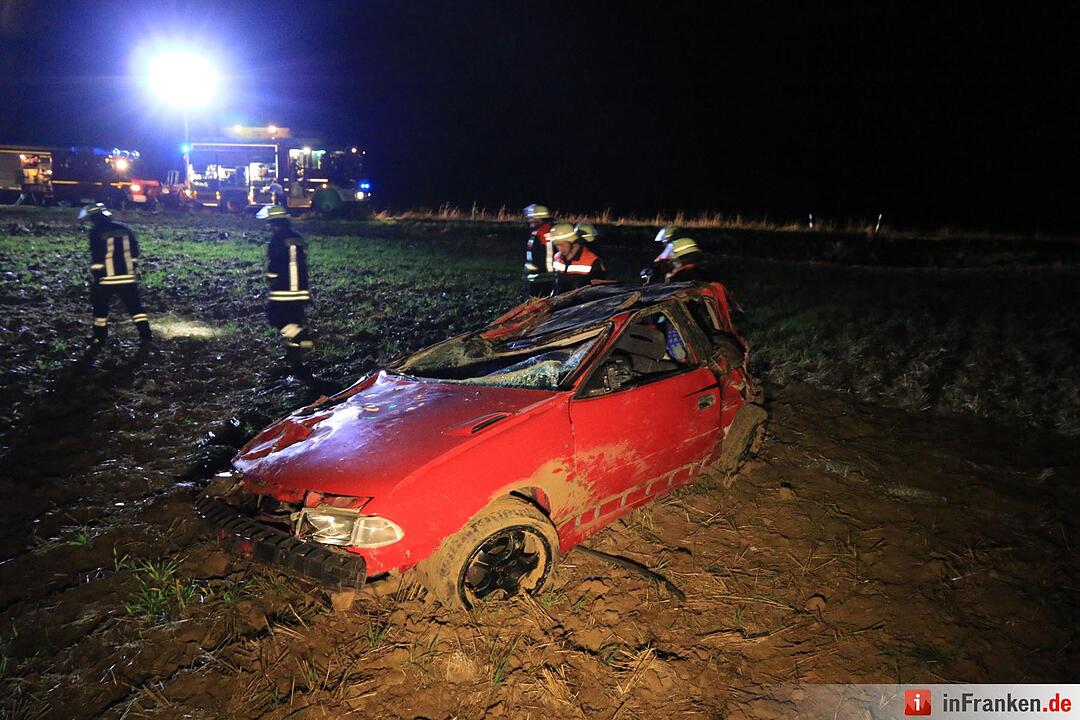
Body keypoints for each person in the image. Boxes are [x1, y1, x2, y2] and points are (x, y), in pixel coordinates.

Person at [80, 203, 151, 349]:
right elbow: (135, 252)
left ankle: (99, 337)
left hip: (106, 279)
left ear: (93, 218)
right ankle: (146, 335)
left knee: (100, 310)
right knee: (136, 308)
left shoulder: (95, 232)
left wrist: (97, 274)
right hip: (127, 277)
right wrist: (131, 267)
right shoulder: (125, 229)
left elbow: (97, 256)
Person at [258, 204, 313, 371]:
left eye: (270, 223)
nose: (268, 226)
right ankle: (295, 356)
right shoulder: (297, 237)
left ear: (275, 223)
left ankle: (301, 337)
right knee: (294, 321)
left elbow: (276, 264)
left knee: (274, 317)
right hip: (301, 290)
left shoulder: (276, 240)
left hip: (283, 290)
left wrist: (270, 277)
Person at [551, 222, 606, 294]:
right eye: (556, 245)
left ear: (573, 242)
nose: (559, 249)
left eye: (562, 244)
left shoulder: (592, 260)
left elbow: (599, 291)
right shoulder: (557, 258)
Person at [523, 203, 555, 297]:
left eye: (531, 218)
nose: (529, 220)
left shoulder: (541, 233)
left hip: (541, 278)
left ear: (538, 218)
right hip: (544, 276)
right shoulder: (546, 230)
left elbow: (543, 256)